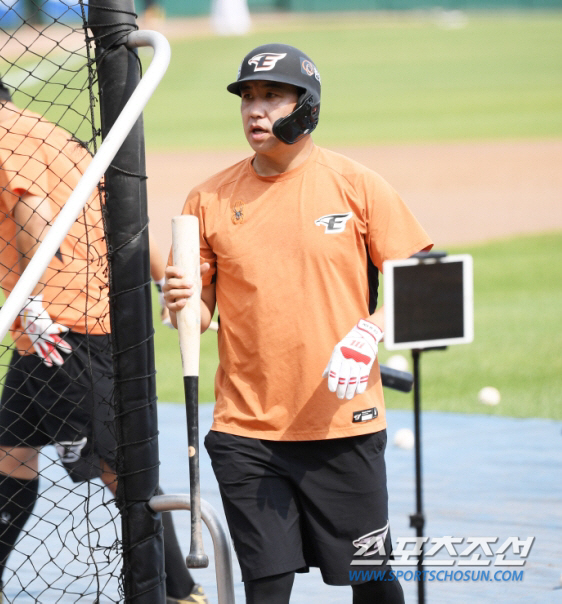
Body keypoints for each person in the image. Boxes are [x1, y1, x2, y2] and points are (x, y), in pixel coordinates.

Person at [0, 63, 206, 604]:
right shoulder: (53, 135)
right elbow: (122, 216)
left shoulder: (4, 138)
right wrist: (164, 279)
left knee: (117, 465)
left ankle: (182, 592)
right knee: (14, 451)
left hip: (62, 327)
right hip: (45, 330)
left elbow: (33, 210)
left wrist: (34, 300)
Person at [164, 44, 433, 604]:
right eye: (247, 98)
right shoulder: (207, 199)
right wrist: (181, 304)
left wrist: (371, 331)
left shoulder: (356, 185)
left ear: (306, 107)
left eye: (272, 96)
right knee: (266, 588)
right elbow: (201, 313)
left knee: (371, 580)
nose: (255, 110)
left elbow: (423, 283)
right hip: (246, 430)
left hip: (342, 426)